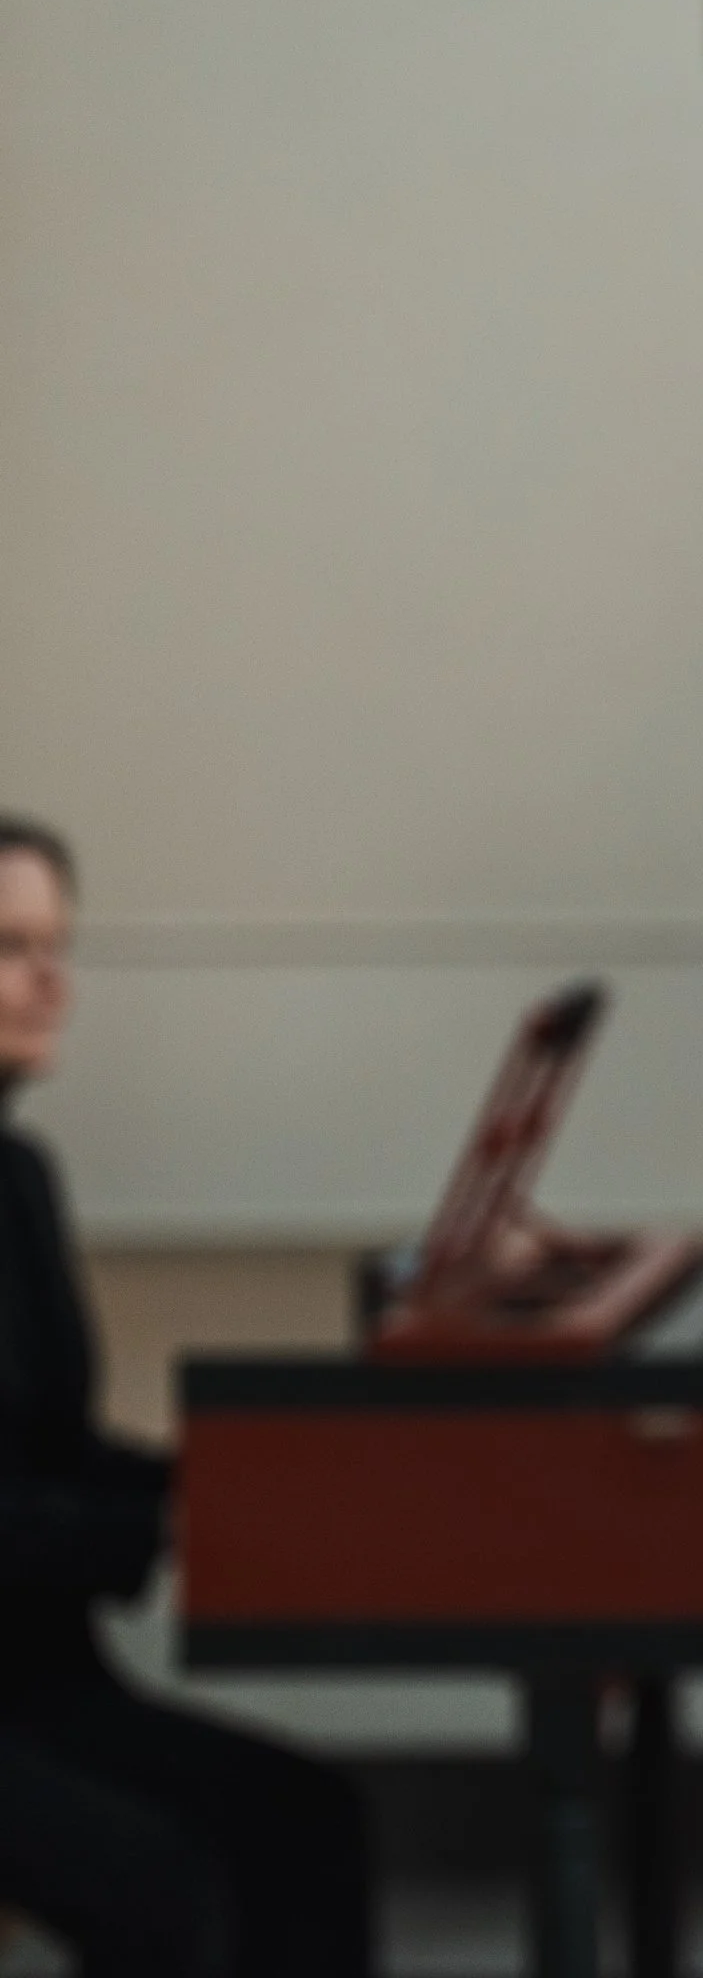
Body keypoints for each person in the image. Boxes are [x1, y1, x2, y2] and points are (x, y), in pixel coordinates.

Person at [0, 814, 372, 1978]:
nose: (53, 978)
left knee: (311, 1820)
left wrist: (229, 1478)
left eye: (60, 943)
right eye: (13, 945)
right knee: (163, 1895)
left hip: (41, 1680)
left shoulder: (19, 1176)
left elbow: (52, 1447)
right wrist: (156, 1524)